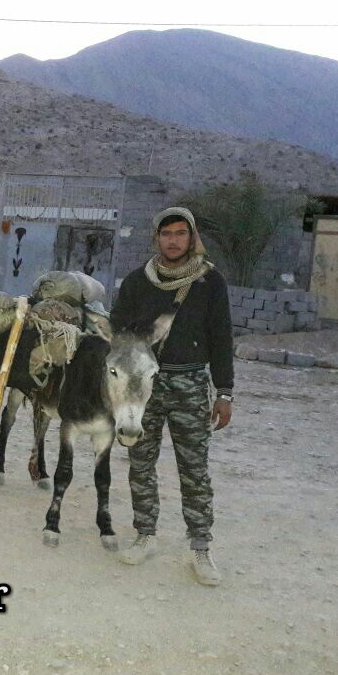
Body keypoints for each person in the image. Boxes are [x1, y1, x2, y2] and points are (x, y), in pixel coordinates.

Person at [110, 206, 234, 586]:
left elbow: (221, 337)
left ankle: (200, 547)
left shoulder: (210, 282)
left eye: (181, 233)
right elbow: (118, 333)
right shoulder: (137, 281)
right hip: (143, 387)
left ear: (192, 237)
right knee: (140, 463)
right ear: (156, 238)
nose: (173, 240)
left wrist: (224, 392)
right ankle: (145, 534)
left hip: (190, 384)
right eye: (166, 234)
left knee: (194, 469)